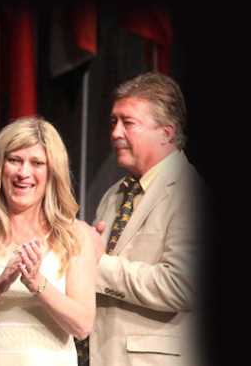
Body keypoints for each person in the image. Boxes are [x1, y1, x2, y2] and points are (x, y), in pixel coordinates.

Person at [0, 117, 96, 366]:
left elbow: (82, 325)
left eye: (37, 163)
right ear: (0, 167)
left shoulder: (76, 235)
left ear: (52, 171)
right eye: (14, 160)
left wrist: (37, 283)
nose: (24, 173)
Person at [82, 72, 204, 366]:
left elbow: (181, 286)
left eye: (128, 122)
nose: (115, 133)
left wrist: (98, 264)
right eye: (113, 122)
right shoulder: (114, 195)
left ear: (167, 132)